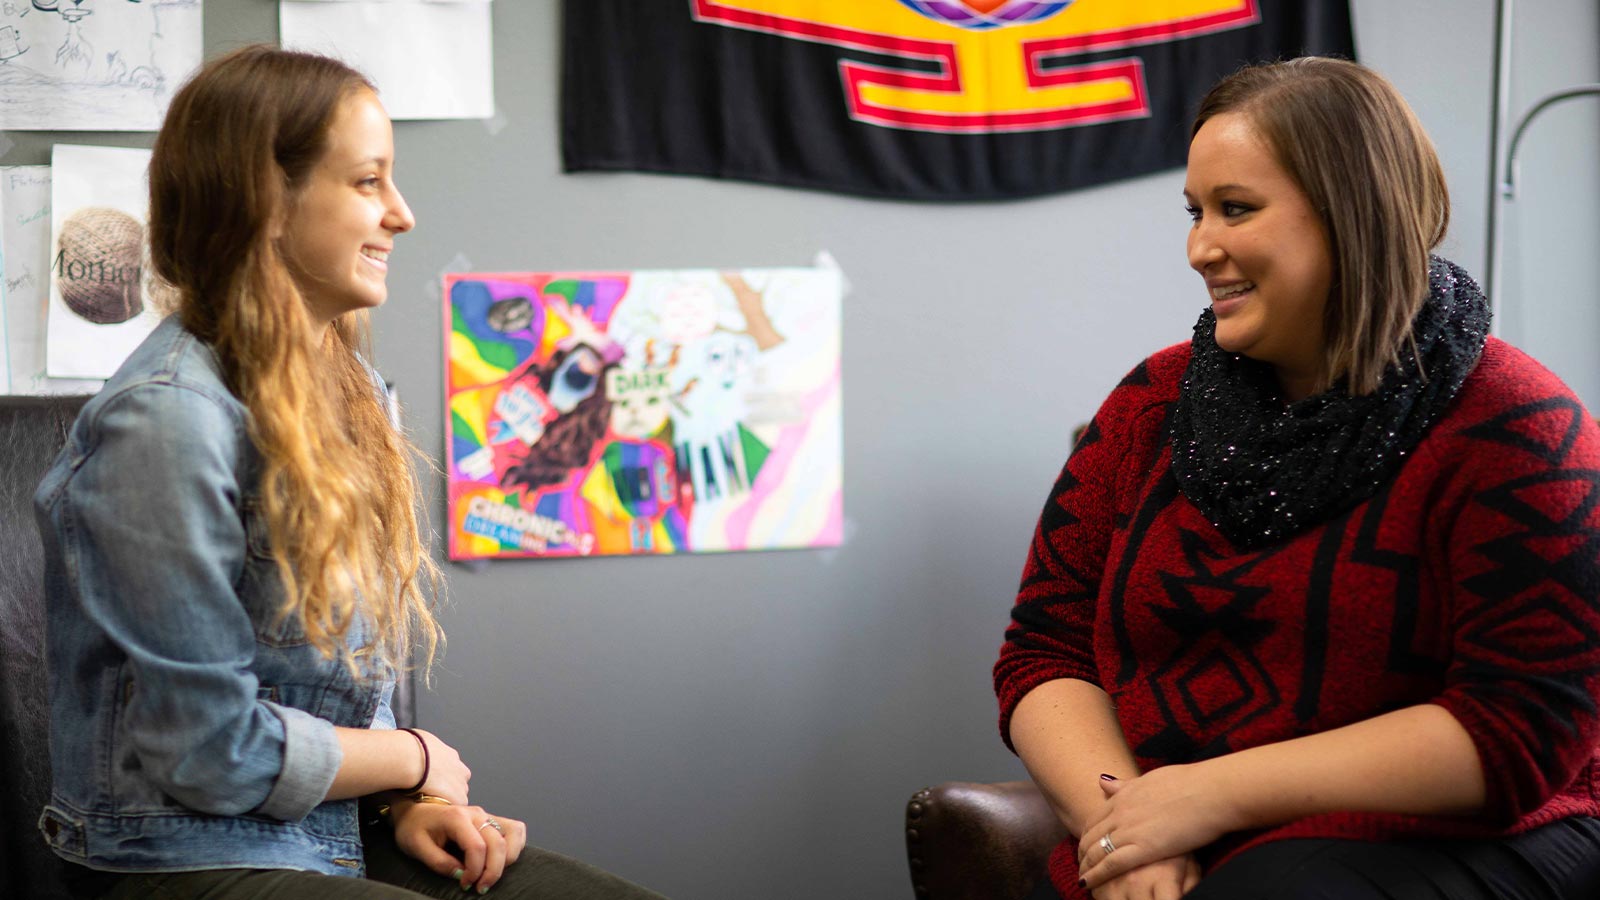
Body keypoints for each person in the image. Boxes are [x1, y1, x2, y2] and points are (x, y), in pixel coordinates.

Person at [33, 45, 664, 900]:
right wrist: (416, 757)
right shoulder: (164, 421)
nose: (402, 214)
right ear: (267, 201)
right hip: (179, 861)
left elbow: (333, 678)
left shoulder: (352, 390)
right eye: (368, 182)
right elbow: (207, 751)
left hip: (325, 838)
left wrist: (401, 803)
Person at [994, 57, 1600, 900]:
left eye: (1236, 209)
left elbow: (1521, 728)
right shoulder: (1149, 405)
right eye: (1196, 211)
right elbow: (1046, 652)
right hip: (1176, 842)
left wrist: (1201, 795)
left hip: (1458, 840)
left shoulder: (1520, 428)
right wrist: (1129, 829)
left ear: (1354, 216)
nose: (1200, 247)